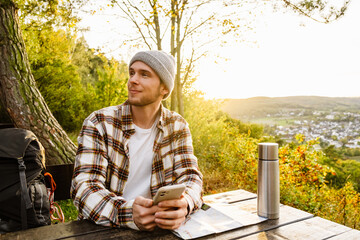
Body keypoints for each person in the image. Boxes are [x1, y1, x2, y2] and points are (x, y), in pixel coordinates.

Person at [70, 50, 203, 231]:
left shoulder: (177, 126)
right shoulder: (99, 123)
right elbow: (84, 188)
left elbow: (190, 177)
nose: (132, 79)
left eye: (144, 74)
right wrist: (127, 213)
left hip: (160, 231)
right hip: (107, 230)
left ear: (164, 88)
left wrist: (185, 204)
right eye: (132, 72)